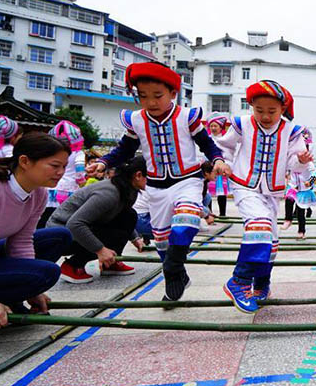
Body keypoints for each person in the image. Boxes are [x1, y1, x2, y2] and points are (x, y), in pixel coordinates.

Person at [87, 62, 230, 303]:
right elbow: (124, 150)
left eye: (157, 96)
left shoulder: (187, 117)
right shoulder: (136, 120)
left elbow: (207, 144)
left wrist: (217, 159)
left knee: (186, 220)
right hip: (155, 187)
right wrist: (103, 162)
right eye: (143, 96)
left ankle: (172, 269)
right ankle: (177, 275)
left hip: (187, 181)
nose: (151, 102)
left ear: (173, 94)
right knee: (162, 240)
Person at [215, 80, 315, 313]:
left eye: (272, 111)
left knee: (270, 241)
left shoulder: (292, 132)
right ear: (251, 106)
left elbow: (294, 165)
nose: (266, 116)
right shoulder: (242, 124)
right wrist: (225, 163)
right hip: (245, 186)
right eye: (259, 110)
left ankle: (261, 283)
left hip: (272, 192)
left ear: (282, 109)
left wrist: (300, 161)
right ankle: (239, 281)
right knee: (258, 227)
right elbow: (225, 146)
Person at [0, 133, 73, 322]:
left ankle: (11, 300)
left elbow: (21, 241)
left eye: (64, 166)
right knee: (49, 272)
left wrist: (32, 287)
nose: (61, 172)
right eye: (55, 166)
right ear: (24, 161)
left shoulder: (38, 194)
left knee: (59, 237)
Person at [48, 157, 147, 283]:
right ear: (138, 175)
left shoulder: (129, 189)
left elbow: (122, 213)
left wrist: (134, 237)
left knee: (129, 215)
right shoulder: (109, 193)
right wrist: (100, 250)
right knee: (119, 225)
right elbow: (75, 224)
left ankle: (110, 262)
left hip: (86, 226)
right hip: (62, 234)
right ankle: (73, 265)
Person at [38, 120, 87, 228]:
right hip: (69, 190)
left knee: (44, 218)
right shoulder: (78, 153)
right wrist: (82, 182)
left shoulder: (52, 153)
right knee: (62, 221)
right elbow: (80, 173)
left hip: (49, 189)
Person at [206, 113, 233, 217]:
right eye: (211, 126)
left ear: (220, 127)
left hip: (221, 169)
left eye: (215, 126)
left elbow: (229, 153)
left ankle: (222, 214)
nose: (213, 128)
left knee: (221, 192)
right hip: (209, 168)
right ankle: (210, 213)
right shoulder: (207, 139)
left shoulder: (225, 139)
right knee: (207, 192)